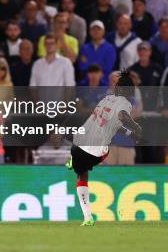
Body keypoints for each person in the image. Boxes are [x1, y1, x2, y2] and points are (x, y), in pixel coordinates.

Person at [67, 70, 141, 226]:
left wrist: (129, 132)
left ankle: (88, 217)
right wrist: (135, 128)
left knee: (82, 176)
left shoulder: (106, 99)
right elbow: (122, 116)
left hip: (81, 141)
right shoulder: (125, 103)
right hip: (97, 149)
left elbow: (111, 122)